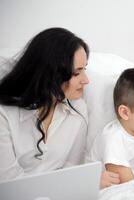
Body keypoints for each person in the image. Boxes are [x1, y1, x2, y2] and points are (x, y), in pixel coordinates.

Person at [0, 28, 119, 187]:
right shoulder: (4, 115)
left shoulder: (78, 111)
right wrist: (81, 182)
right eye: (76, 73)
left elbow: (70, 170)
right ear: (50, 74)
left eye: (84, 69)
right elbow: (9, 184)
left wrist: (81, 182)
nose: (86, 80)